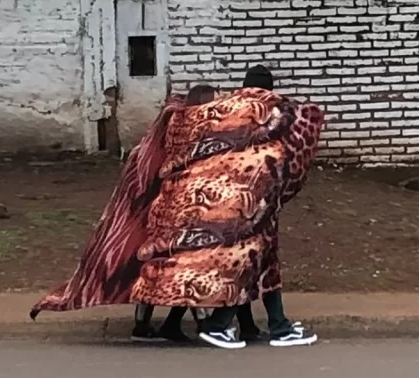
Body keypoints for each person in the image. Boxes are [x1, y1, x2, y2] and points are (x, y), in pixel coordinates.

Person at [197, 65, 319, 349]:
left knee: (260, 263)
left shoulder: (225, 110)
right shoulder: (273, 110)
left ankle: (270, 325)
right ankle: (223, 325)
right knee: (255, 263)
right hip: (257, 200)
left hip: (226, 200)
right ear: (269, 88)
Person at [130, 84, 218, 343]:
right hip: (182, 207)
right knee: (188, 263)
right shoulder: (195, 129)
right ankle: (202, 323)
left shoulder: (171, 122)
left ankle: (149, 323)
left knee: (163, 265)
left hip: (162, 205)